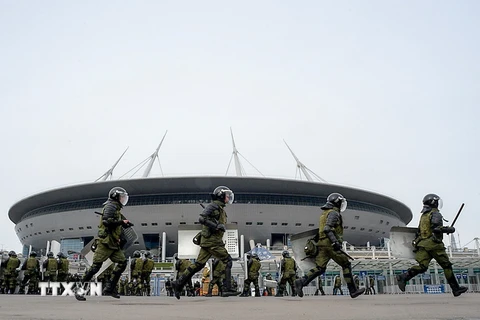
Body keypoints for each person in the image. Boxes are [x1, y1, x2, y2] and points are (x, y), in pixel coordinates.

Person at [172, 186, 240, 299]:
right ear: (221, 196)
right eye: (227, 196)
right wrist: (216, 226)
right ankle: (227, 288)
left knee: (198, 264)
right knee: (227, 260)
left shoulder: (219, 207)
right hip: (212, 241)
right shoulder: (214, 206)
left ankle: (178, 283)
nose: (228, 198)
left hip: (208, 240)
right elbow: (202, 219)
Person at [294, 193, 365, 298]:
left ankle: (301, 282)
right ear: (337, 203)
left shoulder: (324, 214)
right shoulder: (333, 213)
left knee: (320, 268)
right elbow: (327, 229)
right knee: (346, 264)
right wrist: (335, 242)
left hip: (322, 244)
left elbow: (322, 230)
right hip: (329, 243)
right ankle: (353, 290)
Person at [396, 194, 468, 297]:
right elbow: (436, 229)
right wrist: (449, 229)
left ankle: (404, 277)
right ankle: (455, 289)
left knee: (422, 266)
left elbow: (419, 231)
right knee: (446, 266)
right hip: (434, 245)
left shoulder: (423, 216)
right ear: (434, 203)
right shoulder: (435, 214)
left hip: (422, 245)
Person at [75, 187, 131, 301]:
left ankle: (109, 288)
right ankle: (79, 291)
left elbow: (113, 224)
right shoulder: (111, 206)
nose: (123, 199)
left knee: (122, 263)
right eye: (122, 197)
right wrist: (121, 222)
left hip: (113, 244)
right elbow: (107, 222)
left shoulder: (116, 208)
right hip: (105, 243)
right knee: (95, 268)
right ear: (116, 197)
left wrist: (122, 225)